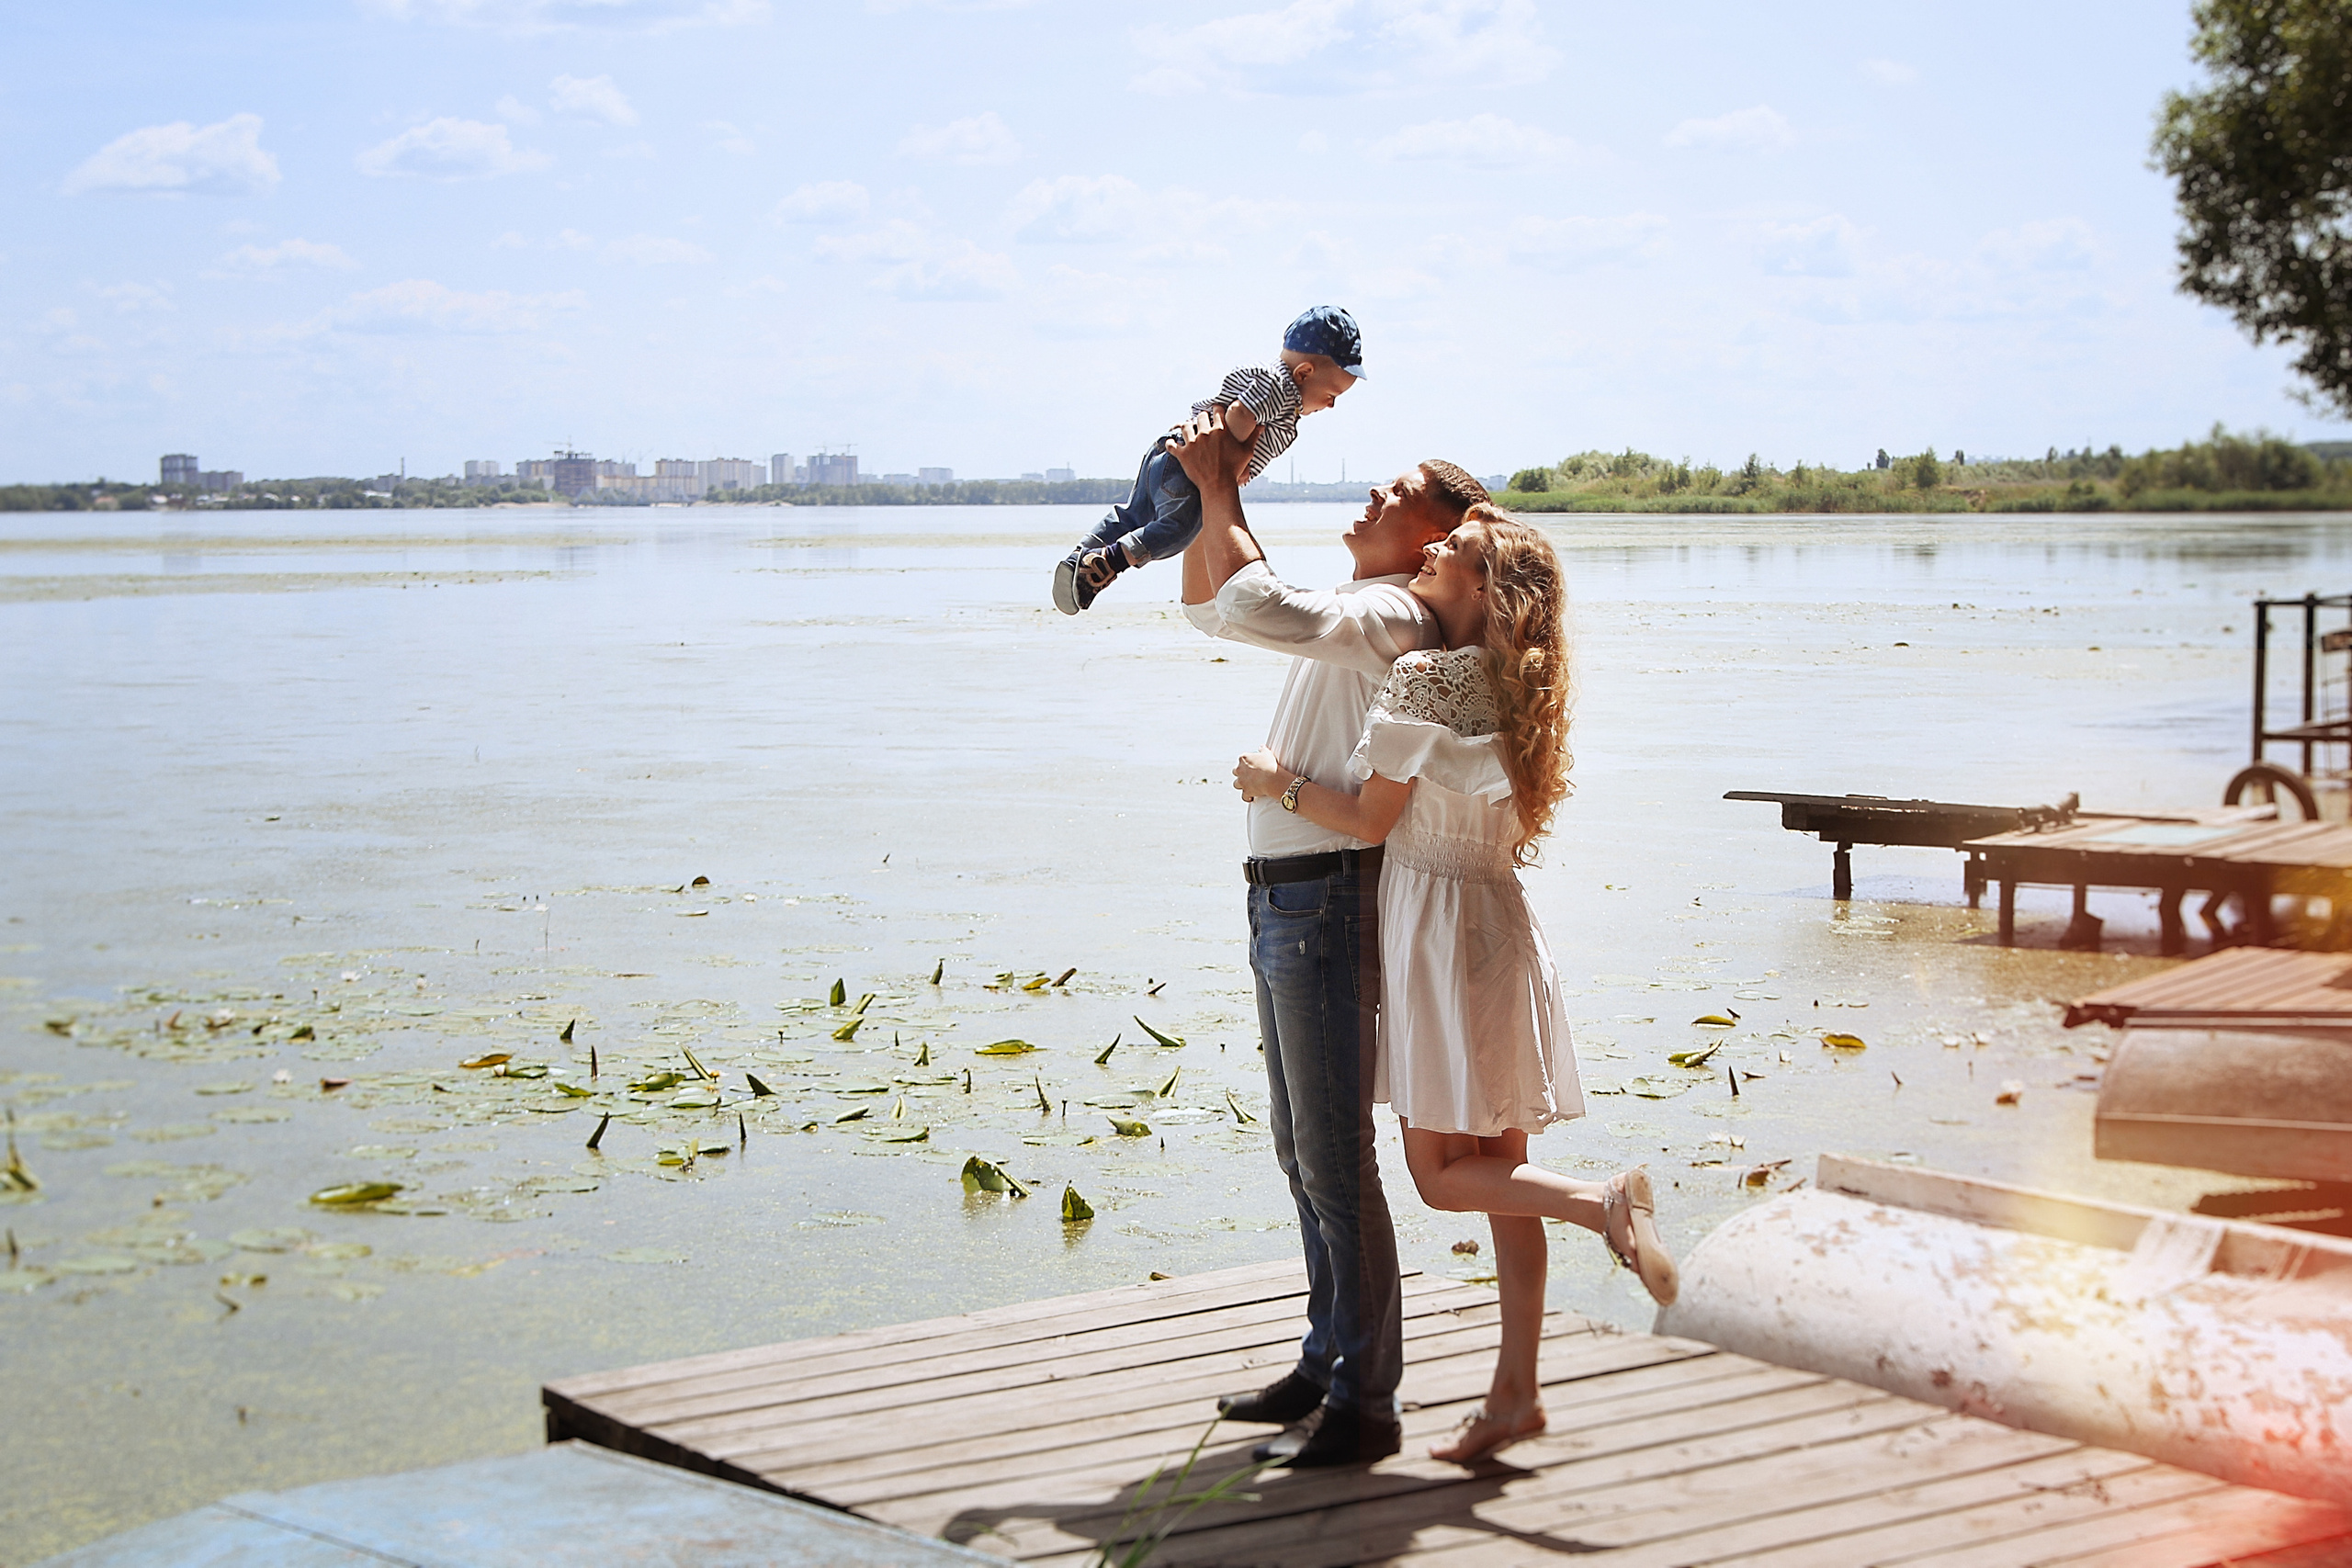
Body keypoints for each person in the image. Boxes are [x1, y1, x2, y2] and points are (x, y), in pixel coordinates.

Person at [1231, 502, 1680, 1467]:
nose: (1432, 550)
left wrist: (1276, 784)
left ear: (1481, 590)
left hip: (1435, 932)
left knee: (1440, 1178)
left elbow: (1362, 820)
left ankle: (1600, 1201)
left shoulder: (1424, 676)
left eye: (1457, 551)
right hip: (1502, 928)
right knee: (1497, 1184)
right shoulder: (1525, 690)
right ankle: (1514, 1393)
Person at [1168, 408, 1492, 1469]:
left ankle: (1367, 1398)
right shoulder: (1363, 608)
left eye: (1397, 499)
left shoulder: (1400, 619)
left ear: (1436, 539)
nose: (1371, 502)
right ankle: (1327, 1360)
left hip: (1328, 895)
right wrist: (1205, 498)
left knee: (1335, 1156)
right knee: (1301, 1150)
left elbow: (1251, 599)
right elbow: (1219, 611)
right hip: (1287, 893)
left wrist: (1224, 487)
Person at [1051, 306, 1363, 616]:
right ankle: (1110, 562)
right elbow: (1240, 414)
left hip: (1169, 451)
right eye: (1332, 393)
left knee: (1134, 514)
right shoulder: (1280, 389)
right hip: (1189, 468)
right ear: (1304, 372)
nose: (1332, 405)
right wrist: (1225, 468)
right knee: (1180, 529)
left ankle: (1081, 555)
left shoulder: (1272, 382)